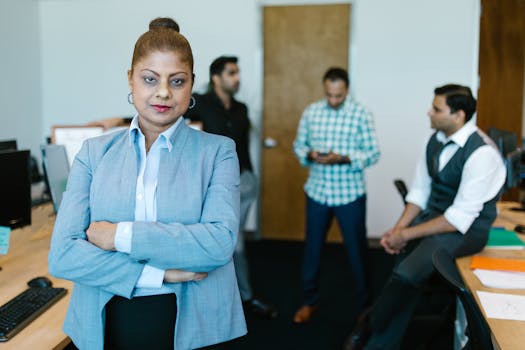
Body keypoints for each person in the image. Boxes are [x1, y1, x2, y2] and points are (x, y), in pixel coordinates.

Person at [48, 18, 246, 350]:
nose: (164, 92)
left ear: (192, 85)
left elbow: (217, 245)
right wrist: (160, 273)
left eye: (177, 81)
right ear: (131, 80)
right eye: (150, 79)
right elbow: (64, 256)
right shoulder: (94, 153)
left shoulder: (218, 152)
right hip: (106, 318)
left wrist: (117, 235)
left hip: (193, 321)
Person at [344, 84, 506, 350]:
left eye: (436, 109)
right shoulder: (433, 140)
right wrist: (396, 230)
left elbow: (457, 218)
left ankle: (370, 323)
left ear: (459, 115)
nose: (428, 112)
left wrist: (405, 234)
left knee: (407, 275)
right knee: (403, 274)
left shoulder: (483, 154)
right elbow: (420, 192)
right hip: (436, 220)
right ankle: (380, 342)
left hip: (465, 231)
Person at [184, 56, 278, 320]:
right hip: (216, 185)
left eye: (237, 73)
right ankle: (238, 298)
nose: (237, 78)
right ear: (216, 77)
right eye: (231, 73)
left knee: (234, 242)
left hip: (245, 181)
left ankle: (239, 297)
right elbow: (164, 114)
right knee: (230, 243)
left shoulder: (241, 108)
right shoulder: (199, 103)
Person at [292, 67, 380, 324]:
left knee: (357, 252)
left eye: (338, 96)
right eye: (329, 95)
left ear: (347, 90)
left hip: (350, 194)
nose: (333, 100)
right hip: (317, 192)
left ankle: (366, 308)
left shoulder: (361, 114)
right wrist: (311, 155)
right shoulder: (312, 112)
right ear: (324, 89)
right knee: (313, 250)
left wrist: (345, 158)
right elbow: (300, 145)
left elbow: (374, 153)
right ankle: (310, 301)